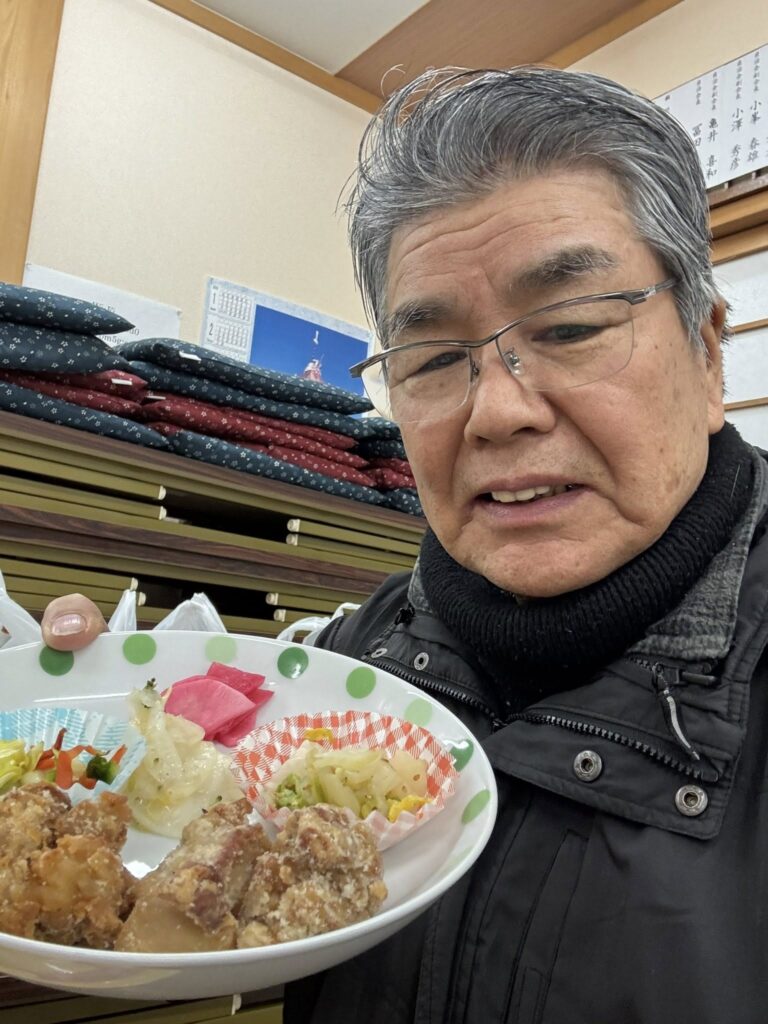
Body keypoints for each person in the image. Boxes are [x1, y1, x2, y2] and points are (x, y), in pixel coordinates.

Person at [41, 67, 768, 1023]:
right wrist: (86, 727)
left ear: (709, 354)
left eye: (571, 327)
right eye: (430, 360)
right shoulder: (350, 666)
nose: (497, 412)